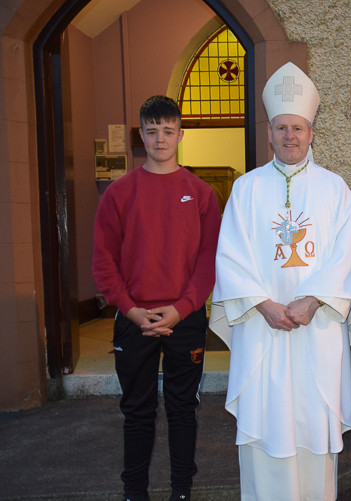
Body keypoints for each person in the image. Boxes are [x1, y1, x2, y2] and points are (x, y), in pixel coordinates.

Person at [209, 62, 351, 501]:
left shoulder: (335, 190)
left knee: (312, 424)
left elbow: (346, 253)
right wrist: (263, 304)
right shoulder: (246, 189)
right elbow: (231, 255)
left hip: (315, 329)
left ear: (312, 131)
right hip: (263, 329)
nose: (290, 136)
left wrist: (313, 300)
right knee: (266, 424)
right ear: (270, 132)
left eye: (298, 128)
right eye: (281, 128)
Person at [92, 95, 221, 501]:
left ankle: (181, 491)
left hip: (185, 321)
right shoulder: (119, 193)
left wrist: (182, 309)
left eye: (168, 131)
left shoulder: (201, 194)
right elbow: (103, 260)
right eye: (152, 131)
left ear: (180, 134)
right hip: (134, 320)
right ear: (141, 137)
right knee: (137, 412)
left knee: (183, 411)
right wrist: (130, 310)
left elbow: (209, 261)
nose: (160, 139)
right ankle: (135, 493)